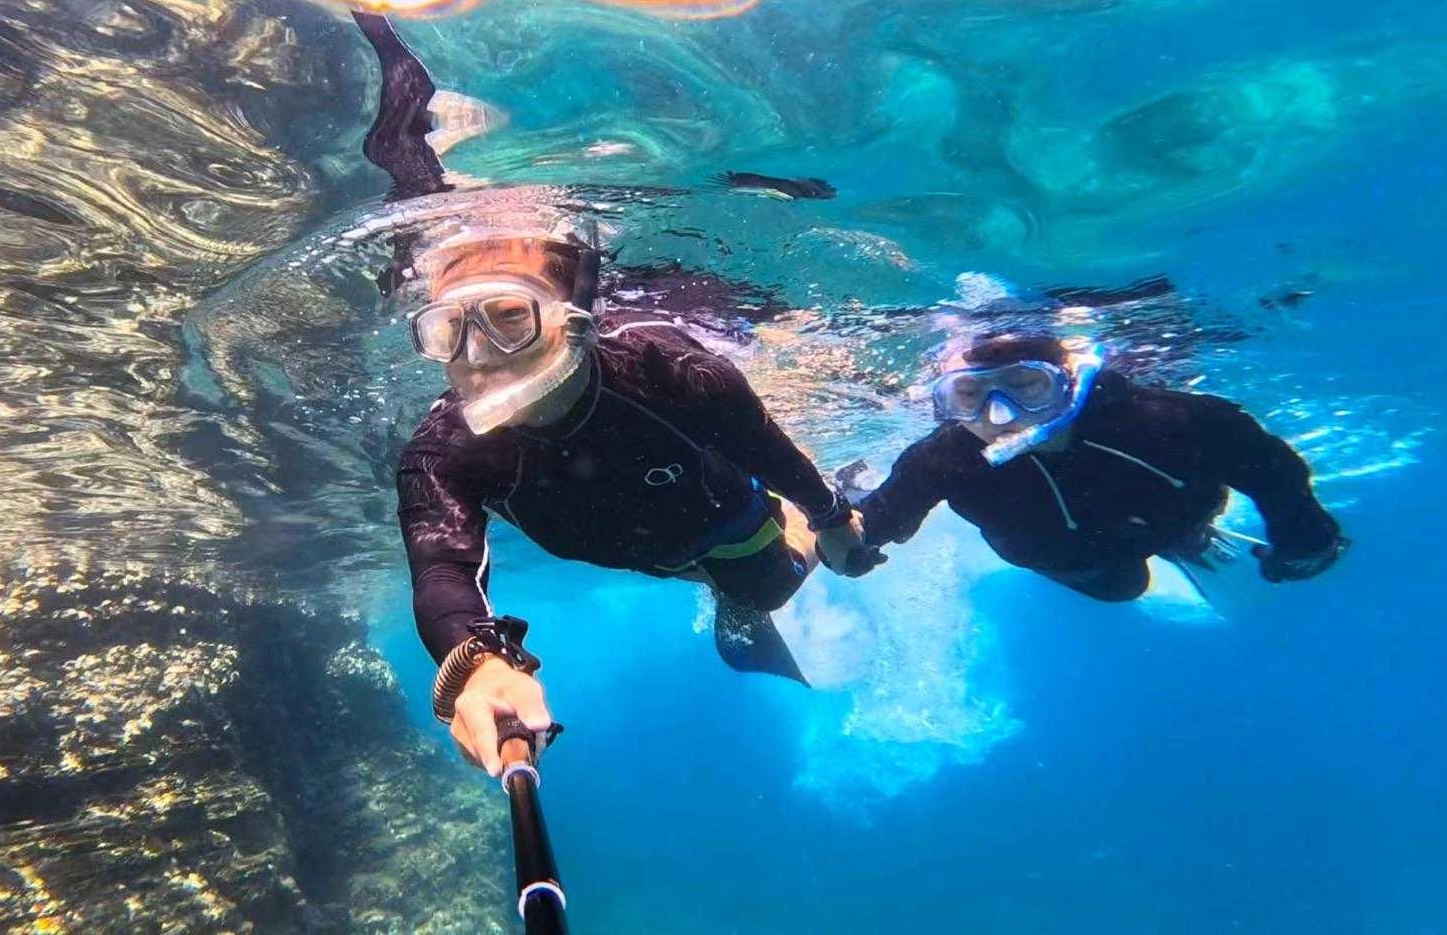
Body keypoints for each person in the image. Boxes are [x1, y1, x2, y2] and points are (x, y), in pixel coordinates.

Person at [396, 218, 865, 776]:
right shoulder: (441, 454)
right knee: (715, 578)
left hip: (721, 518)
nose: (479, 354)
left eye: (511, 317)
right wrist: (480, 669)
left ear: (573, 315)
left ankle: (791, 538)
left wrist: (832, 518)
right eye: (451, 328)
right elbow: (442, 572)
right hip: (640, 548)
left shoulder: (669, 372)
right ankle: (718, 584)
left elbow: (770, 451)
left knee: (768, 589)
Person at [825, 330, 1348, 603]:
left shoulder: (1167, 418)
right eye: (969, 396)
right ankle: (1183, 542)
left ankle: (1189, 540)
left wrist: (1304, 533)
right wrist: (846, 541)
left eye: (1028, 387)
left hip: (1179, 515)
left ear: (1068, 382)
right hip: (1077, 562)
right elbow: (879, 518)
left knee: (1176, 534)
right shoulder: (943, 458)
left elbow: (1269, 469)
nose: (1001, 416)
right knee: (1123, 588)